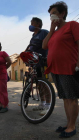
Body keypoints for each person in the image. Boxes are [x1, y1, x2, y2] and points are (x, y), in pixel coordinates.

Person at [42, 1, 79, 138]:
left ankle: (72, 126)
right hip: (56, 69)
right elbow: (44, 46)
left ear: (62, 14)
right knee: (64, 98)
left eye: (54, 13)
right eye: (50, 15)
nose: (52, 16)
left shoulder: (72, 25)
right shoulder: (54, 32)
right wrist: (51, 30)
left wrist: (78, 65)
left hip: (69, 68)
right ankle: (68, 123)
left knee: (71, 97)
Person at [27, 17, 50, 115]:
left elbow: (50, 43)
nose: (30, 25)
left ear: (38, 24)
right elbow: (30, 47)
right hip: (35, 62)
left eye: (32, 23)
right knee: (38, 83)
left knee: (44, 84)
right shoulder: (33, 36)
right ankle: (42, 103)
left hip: (43, 61)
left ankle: (48, 105)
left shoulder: (44, 32)